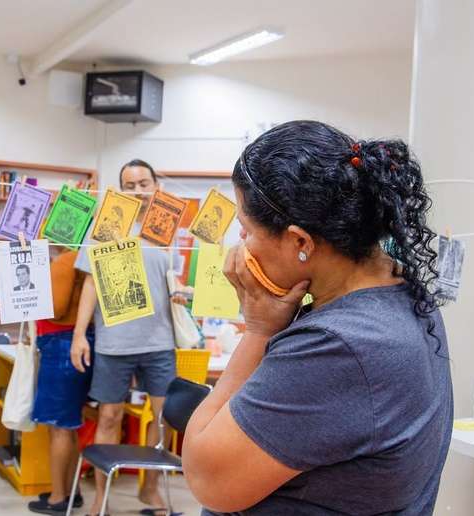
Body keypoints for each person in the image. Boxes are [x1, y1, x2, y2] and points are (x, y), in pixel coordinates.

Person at [182, 121, 452, 515]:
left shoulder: (341, 345)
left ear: (300, 242)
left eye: (245, 230)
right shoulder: (405, 296)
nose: (241, 246)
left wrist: (258, 331)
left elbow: (207, 478)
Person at [71, 159, 177, 516]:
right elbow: (90, 283)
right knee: (110, 417)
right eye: (129, 185)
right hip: (115, 340)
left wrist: (182, 292)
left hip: (160, 340)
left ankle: (149, 490)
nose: (137, 191)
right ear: (119, 189)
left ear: (155, 184)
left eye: (143, 183)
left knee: (162, 418)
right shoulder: (108, 226)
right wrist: (78, 336)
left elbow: (172, 281)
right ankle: (102, 495)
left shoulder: (168, 227)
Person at [27, 247, 93, 514]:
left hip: (61, 344)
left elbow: (56, 307)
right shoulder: (77, 258)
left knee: (59, 425)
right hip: (68, 342)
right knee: (69, 423)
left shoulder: (67, 259)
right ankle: (70, 490)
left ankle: (58, 497)